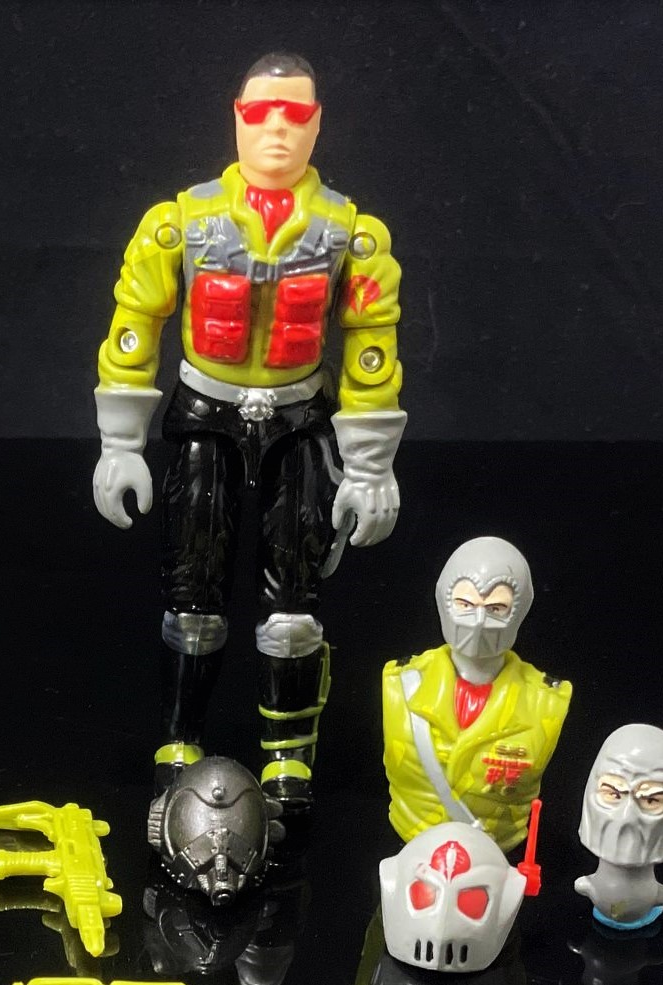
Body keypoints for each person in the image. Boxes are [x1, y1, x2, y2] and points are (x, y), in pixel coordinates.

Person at [91, 51, 404, 810]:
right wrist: (120, 444)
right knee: (192, 589)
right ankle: (179, 738)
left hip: (299, 420)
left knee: (293, 601)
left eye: (295, 115)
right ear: (236, 117)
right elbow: (135, 324)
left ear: (317, 124)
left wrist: (369, 467)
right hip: (206, 414)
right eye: (262, 112)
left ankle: (287, 757)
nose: (277, 129)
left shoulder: (351, 234)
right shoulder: (180, 224)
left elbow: (371, 346)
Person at [382, 536, 571, 851]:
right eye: (465, 604)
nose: (480, 622)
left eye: (496, 608)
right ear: (444, 602)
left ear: (519, 611)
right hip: (410, 841)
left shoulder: (546, 700)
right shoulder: (401, 681)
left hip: (496, 853)